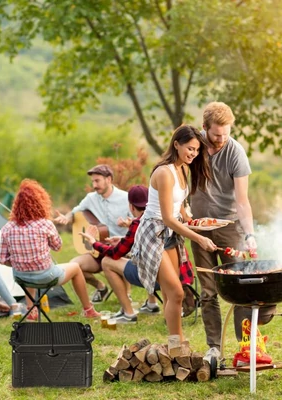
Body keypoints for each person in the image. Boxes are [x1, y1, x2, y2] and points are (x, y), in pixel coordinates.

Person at [131, 124, 218, 346]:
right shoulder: (164, 173)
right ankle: (176, 343)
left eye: (197, 150)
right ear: (176, 144)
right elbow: (167, 218)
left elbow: (177, 206)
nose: (193, 154)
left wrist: (192, 222)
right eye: (190, 148)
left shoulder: (183, 169)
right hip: (153, 234)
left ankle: (175, 341)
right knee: (177, 293)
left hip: (170, 234)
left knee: (173, 294)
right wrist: (198, 238)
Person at [190, 101, 259, 358]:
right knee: (208, 291)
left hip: (230, 227)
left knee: (240, 287)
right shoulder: (193, 148)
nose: (221, 139)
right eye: (216, 134)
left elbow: (242, 200)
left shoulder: (235, 152)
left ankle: (245, 348)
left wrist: (249, 234)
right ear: (204, 128)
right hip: (198, 229)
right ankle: (214, 349)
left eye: (226, 133)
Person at [0, 179, 101, 320]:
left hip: (20, 277)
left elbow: (3, 260)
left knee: (28, 266)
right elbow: (58, 247)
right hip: (46, 276)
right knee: (76, 268)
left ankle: (31, 310)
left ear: (16, 205)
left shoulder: (7, 228)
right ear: (40, 202)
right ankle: (88, 309)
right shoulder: (45, 224)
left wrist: (20, 261)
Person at [79, 185, 160, 324]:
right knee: (146, 256)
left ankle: (128, 313)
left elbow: (115, 254)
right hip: (171, 275)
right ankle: (152, 304)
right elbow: (145, 242)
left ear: (131, 206)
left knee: (107, 261)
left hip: (152, 277)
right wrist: (122, 239)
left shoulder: (137, 223)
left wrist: (94, 242)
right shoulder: (158, 217)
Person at [54, 164, 132, 303]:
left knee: (116, 262)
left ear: (109, 179)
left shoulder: (125, 198)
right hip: (98, 249)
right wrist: (66, 218)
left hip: (120, 248)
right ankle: (101, 287)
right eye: (93, 181)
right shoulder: (91, 198)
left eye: (97, 181)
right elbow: (75, 212)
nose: (94, 185)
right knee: (74, 266)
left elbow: (137, 222)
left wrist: (128, 223)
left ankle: (127, 296)